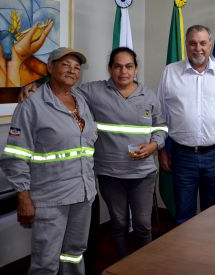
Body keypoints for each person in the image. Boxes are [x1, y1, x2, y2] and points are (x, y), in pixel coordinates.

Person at [20, 47, 168, 259]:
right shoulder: (91, 91)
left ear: (136, 69)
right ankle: (122, 265)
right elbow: (61, 86)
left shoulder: (149, 95)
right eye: (117, 66)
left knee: (143, 225)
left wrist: (155, 145)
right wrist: (34, 85)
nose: (123, 71)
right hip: (110, 173)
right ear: (110, 69)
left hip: (142, 174)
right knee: (119, 224)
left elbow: (161, 126)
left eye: (128, 66)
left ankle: (144, 265)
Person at [1, 47, 97, 274]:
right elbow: (16, 155)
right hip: (51, 197)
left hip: (83, 192)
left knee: (73, 253)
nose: (72, 71)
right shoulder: (32, 105)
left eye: (76, 67)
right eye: (65, 65)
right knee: (46, 260)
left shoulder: (81, 100)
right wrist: (23, 195)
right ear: (50, 68)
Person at [156, 25, 215, 225]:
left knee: (214, 213)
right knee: (183, 214)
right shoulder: (170, 72)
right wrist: (162, 151)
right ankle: (186, 256)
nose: (197, 48)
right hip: (181, 155)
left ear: (210, 45)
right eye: (192, 43)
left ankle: (212, 256)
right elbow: (160, 116)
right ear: (186, 45)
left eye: (202, 43)